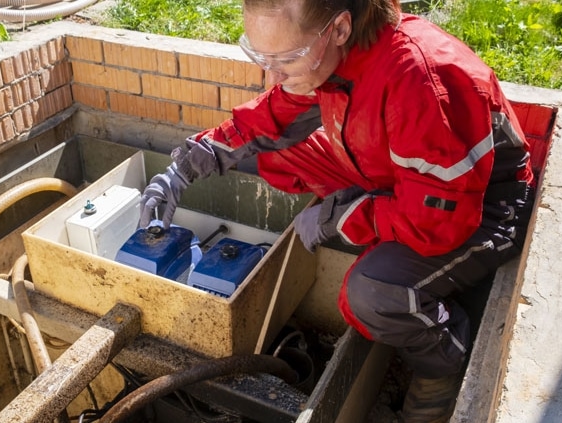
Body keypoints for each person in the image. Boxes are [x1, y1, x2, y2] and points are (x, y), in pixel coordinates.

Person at [138, 0, 534, 421]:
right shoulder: (337, 58)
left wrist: (342, 217)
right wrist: (184, 167)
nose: (271, 74)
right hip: (407, 181)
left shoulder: (420, 82)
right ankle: (388, 243)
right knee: (276, 153)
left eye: (285, 58)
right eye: (262, 57)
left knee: (373, 293)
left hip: (481, 211)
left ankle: (444, 360)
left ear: (340, 28)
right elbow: (270, 118)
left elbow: (441, 221)